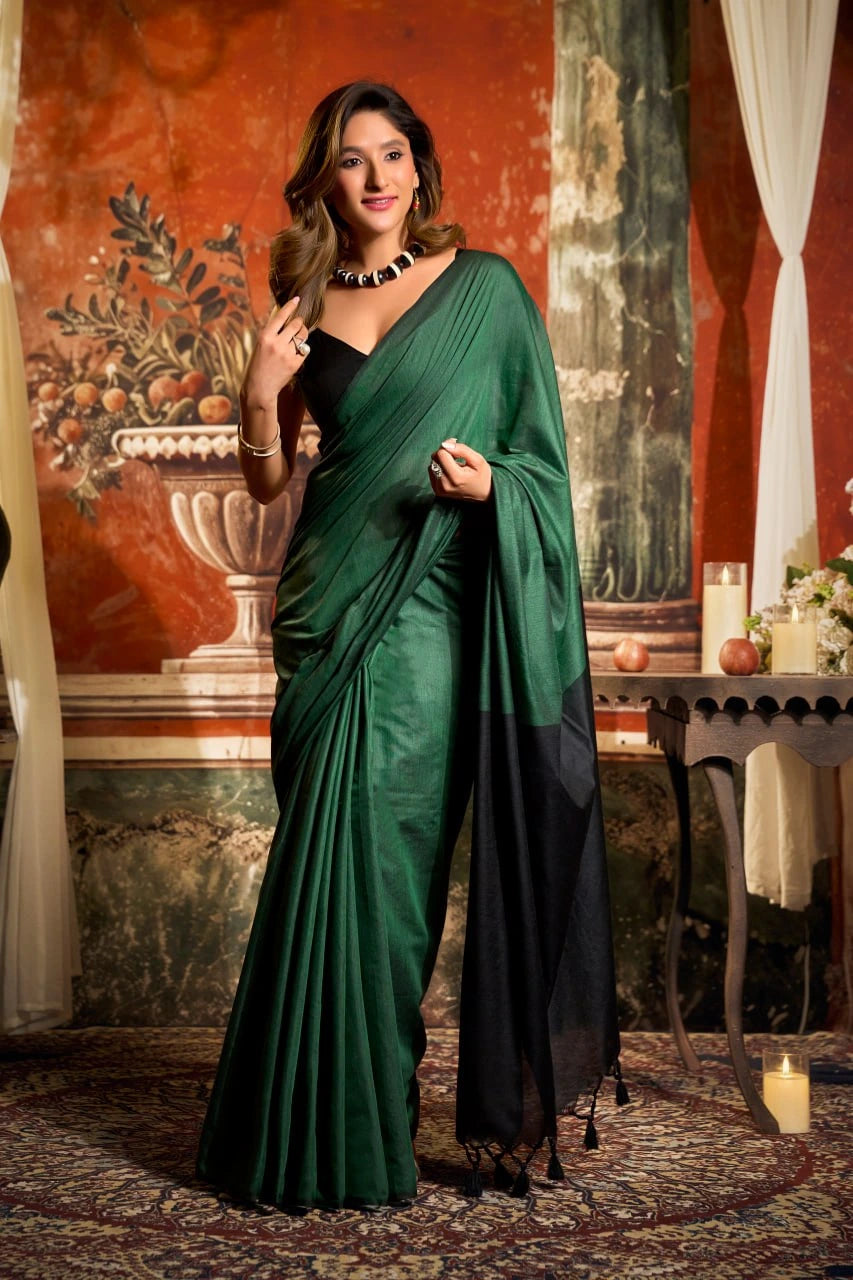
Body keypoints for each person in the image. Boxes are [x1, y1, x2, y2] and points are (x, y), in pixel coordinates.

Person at [196, 81, 622, 1212]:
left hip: (427, 615)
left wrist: (495, 486)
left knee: (389, 884)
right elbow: (272, 479)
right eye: (352, 159)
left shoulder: (485, 291)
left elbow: (542, 460)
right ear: (324, 179)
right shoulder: (300, 301)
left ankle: (362, 1126)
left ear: (419, 172)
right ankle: (295, 1128)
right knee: (315, 870)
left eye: (393, 155)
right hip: (325, 613)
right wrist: (256, 396)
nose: (376, 177)